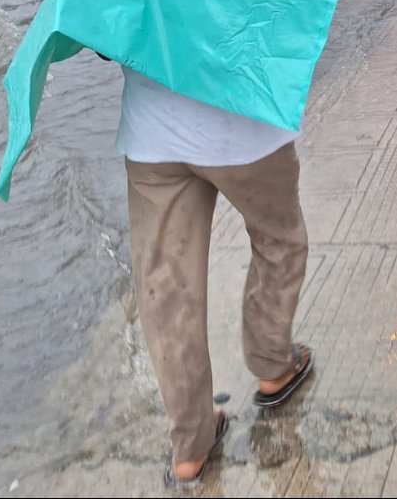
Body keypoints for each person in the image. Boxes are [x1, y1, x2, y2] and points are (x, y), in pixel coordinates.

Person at [117, 71, 314, 489]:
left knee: (167, 290)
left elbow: (100, 31)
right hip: (246, 117)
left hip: (154, 131)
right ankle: (273, 365)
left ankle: (190, 444)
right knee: (278, 240)